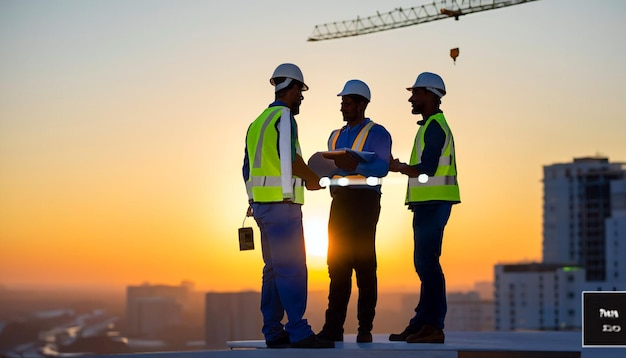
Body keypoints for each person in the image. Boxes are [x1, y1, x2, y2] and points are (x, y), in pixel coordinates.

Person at [242, 63, 334, 349]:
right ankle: (298, 330)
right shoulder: (284, 118)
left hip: (261, 208)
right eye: (301, 92)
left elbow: (246, 168)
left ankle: (272, 330)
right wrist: (313, 179)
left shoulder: (258, 121)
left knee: (272, 270)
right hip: (283, 207)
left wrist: (252, 200)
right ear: (292, 88)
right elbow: (292, 160)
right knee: (292, 268)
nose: (301, 98)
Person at [316, 80, 392, 343]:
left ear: (361, 104)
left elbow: (382, 168)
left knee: (364, 265)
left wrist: (354, 164)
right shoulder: (334, 136)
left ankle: (364, 330)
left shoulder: (379, 133)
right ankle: (333, 329)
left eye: (347, 102)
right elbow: (329, 169)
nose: (343, 107)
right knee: (337, 265)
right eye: (342, 102)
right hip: (339, 203)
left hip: (365, 204)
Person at [388, 72, 460, 344]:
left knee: (427, 264)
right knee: (425, 264)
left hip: (433, 204)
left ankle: (432, 325)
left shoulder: (434, 127)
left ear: (431, 95)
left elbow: (427, 169)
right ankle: (422, 322)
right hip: (428, 204)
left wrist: (400, 168)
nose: (411, 98)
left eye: (416, 93)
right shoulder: (430, 126)